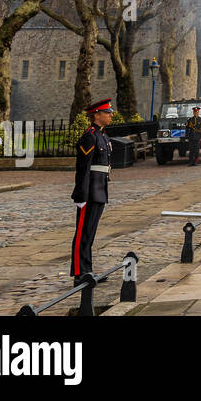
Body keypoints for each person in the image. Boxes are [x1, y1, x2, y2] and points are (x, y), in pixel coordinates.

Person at [71, 98, 114, 281]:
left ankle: (87, 269)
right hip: (88, 190)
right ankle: (79, 272)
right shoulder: (90, 135)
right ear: (97, 115)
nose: (111, 115)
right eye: (108, 112)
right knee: (82, 232)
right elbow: (83, 167)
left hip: (100, 188)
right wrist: (81, 193)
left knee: (91, 231)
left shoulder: (103, 135)